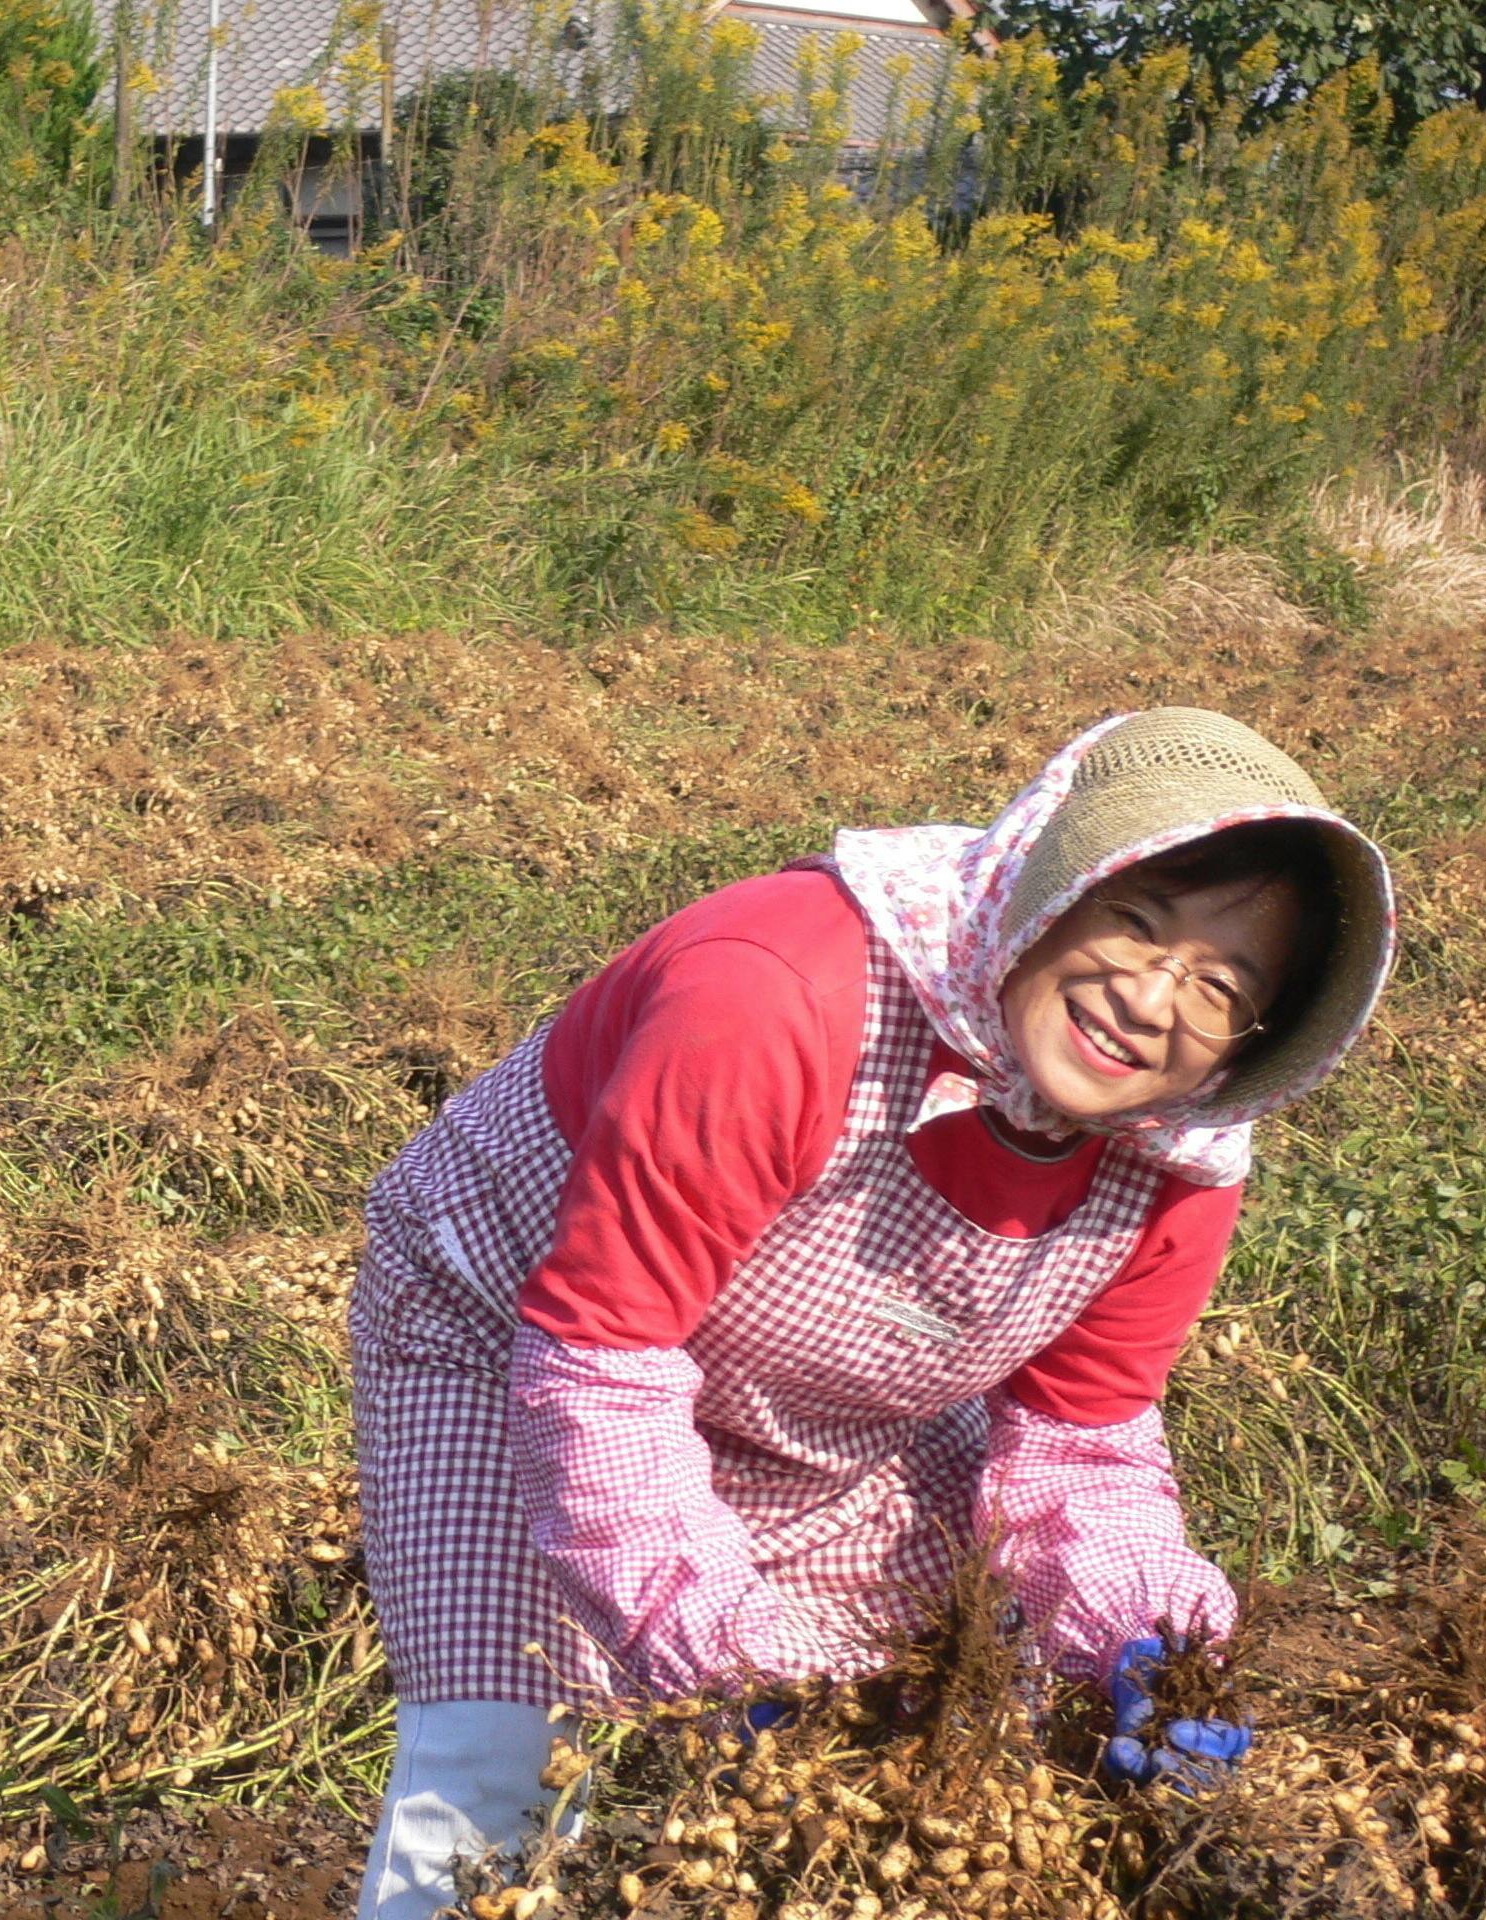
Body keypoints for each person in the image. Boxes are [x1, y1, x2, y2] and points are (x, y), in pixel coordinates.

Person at [348, 709, 1396, 1917]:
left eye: (1219, 985)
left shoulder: (1182, 1155)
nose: (1148, 1001)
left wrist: (1147, 1646)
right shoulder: (778, 993)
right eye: (1134, 921)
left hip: (833, 1411)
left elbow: (1080, 1449)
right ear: (1049, 885)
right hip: (512, 1340)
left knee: (928, 1740)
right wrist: (724, 1646)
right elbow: (601, 1360)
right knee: (504, 1766)